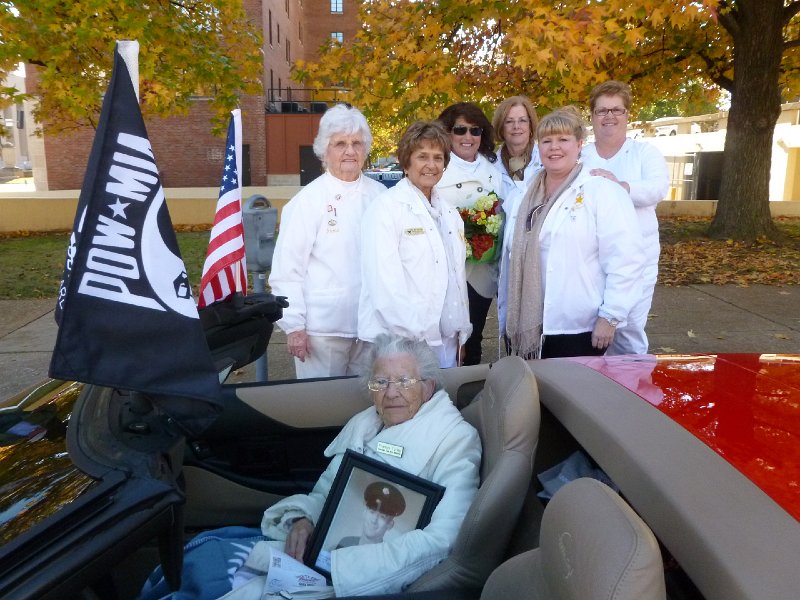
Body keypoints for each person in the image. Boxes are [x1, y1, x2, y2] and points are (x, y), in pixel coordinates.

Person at [263, 334, 481, 596]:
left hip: (375, 580)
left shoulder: (454, 439)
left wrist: (342, 568)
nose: (391, 393)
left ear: (428, 387)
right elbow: (326, 494)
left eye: (404, 381)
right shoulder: (365, 425)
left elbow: (445, 539)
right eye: (380, 382)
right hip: (319, 559)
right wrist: (304, 519)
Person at [505, 108, 645, 359]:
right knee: (532, 395)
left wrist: (610, 316)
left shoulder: (602, 192)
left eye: (563, 140)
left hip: (578, 326)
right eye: (547, 141)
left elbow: (626, 259)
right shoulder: (525, 194)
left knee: (571, 394)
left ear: (580, 144)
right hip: (528, 322)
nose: (554, 147)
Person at [268, 104, 386, 378]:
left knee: (366, 406)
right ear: (324, 149)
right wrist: (294, 326)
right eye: (340, 143)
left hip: (371, 326)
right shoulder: (307, 202)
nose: (349, 151)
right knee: (320, 407)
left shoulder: (380, 196)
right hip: (321, 331)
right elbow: (288, 270)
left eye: (357, 143)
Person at [359, 121, 472, 368]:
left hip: (447, 342)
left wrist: (461, 334)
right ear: (406, 161)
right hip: (403, 346)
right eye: (422, 156)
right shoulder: (385, 210)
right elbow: (384, 287)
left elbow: (456, 280)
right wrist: (414, 342)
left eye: (438, 157)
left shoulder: (450, 215)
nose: (431, 165)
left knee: (442, 405)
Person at [581, 80, 669, 355]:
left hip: (636, 259)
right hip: (588, 260)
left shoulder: (644, 153)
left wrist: (619, 186)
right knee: (592, 330)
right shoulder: (581, 156)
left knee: (628, 329)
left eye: (616, 110)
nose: (609, 117)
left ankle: (632, 387)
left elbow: (657, 189)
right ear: (592, 116)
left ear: (627, 114)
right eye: (602, 111)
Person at [436, 102, 500, 366]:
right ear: (447, 133)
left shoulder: (495, 171)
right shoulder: (436, 167)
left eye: (475, 130)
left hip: (480, 274)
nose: (468, 137)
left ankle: (469, 397)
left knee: (473, 340)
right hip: (444, 274)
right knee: (443, 342)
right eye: (459, 130)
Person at [492, 96, 544, 338]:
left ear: (531, 124)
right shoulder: (490, 165)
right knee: (510, 319)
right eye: (509, 121)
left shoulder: (545, 159)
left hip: (537, 253)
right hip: (503, 254)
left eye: (522, 120)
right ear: (501, 127)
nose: (516, 126)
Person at [335, 481, 406, 548]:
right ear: (364, 512)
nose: (374, 520)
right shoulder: (345, 543)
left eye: (382, 517)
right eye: (372, 512)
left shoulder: (386, 558)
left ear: (390, 525)